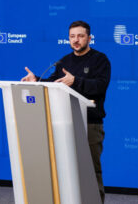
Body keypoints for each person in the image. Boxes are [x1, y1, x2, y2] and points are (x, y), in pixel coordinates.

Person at [21, 20, 111, 203]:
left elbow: (100, 86)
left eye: (80, 36)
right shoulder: (64, 61)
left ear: (89, 38)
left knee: (91, 172)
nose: (76, 40)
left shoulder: (100, 59)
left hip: (90, 124)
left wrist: (75, 81)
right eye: (72, 36)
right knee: (66, 171)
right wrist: (36, 80)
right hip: (65, 123)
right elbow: (53, 83)